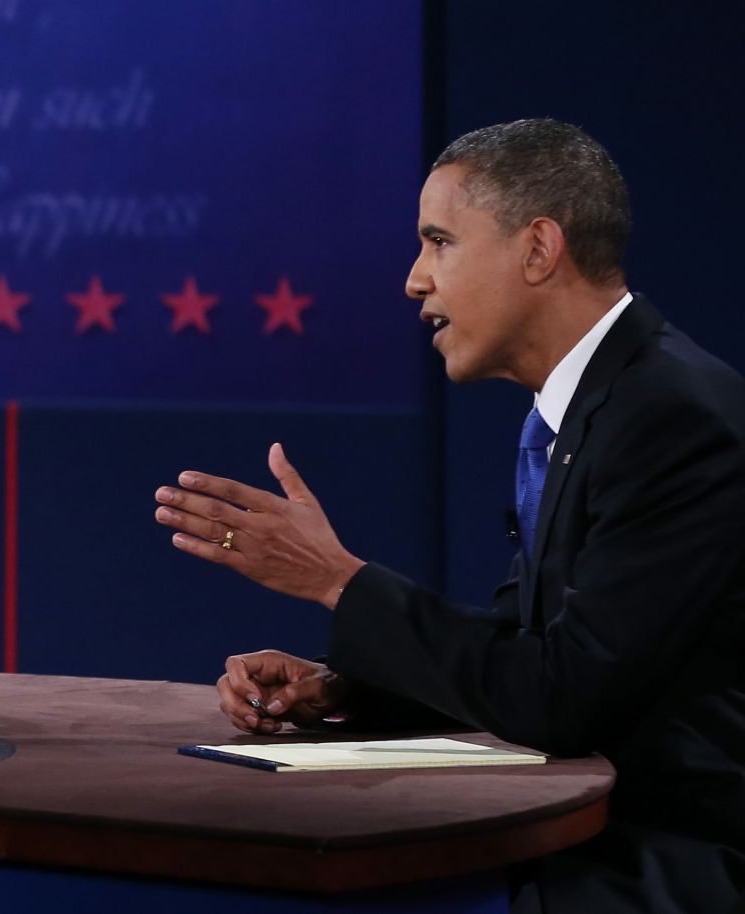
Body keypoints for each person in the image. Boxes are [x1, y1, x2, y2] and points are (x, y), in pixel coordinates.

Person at [153, 119, 745, 912]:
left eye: (439, 241)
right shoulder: (593, 410)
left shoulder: (672, 417)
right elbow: (526, 653)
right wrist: (342, 693)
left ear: (538, 249)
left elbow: (565, 698)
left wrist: (337, 581)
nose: (413, 279)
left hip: (671, 865)